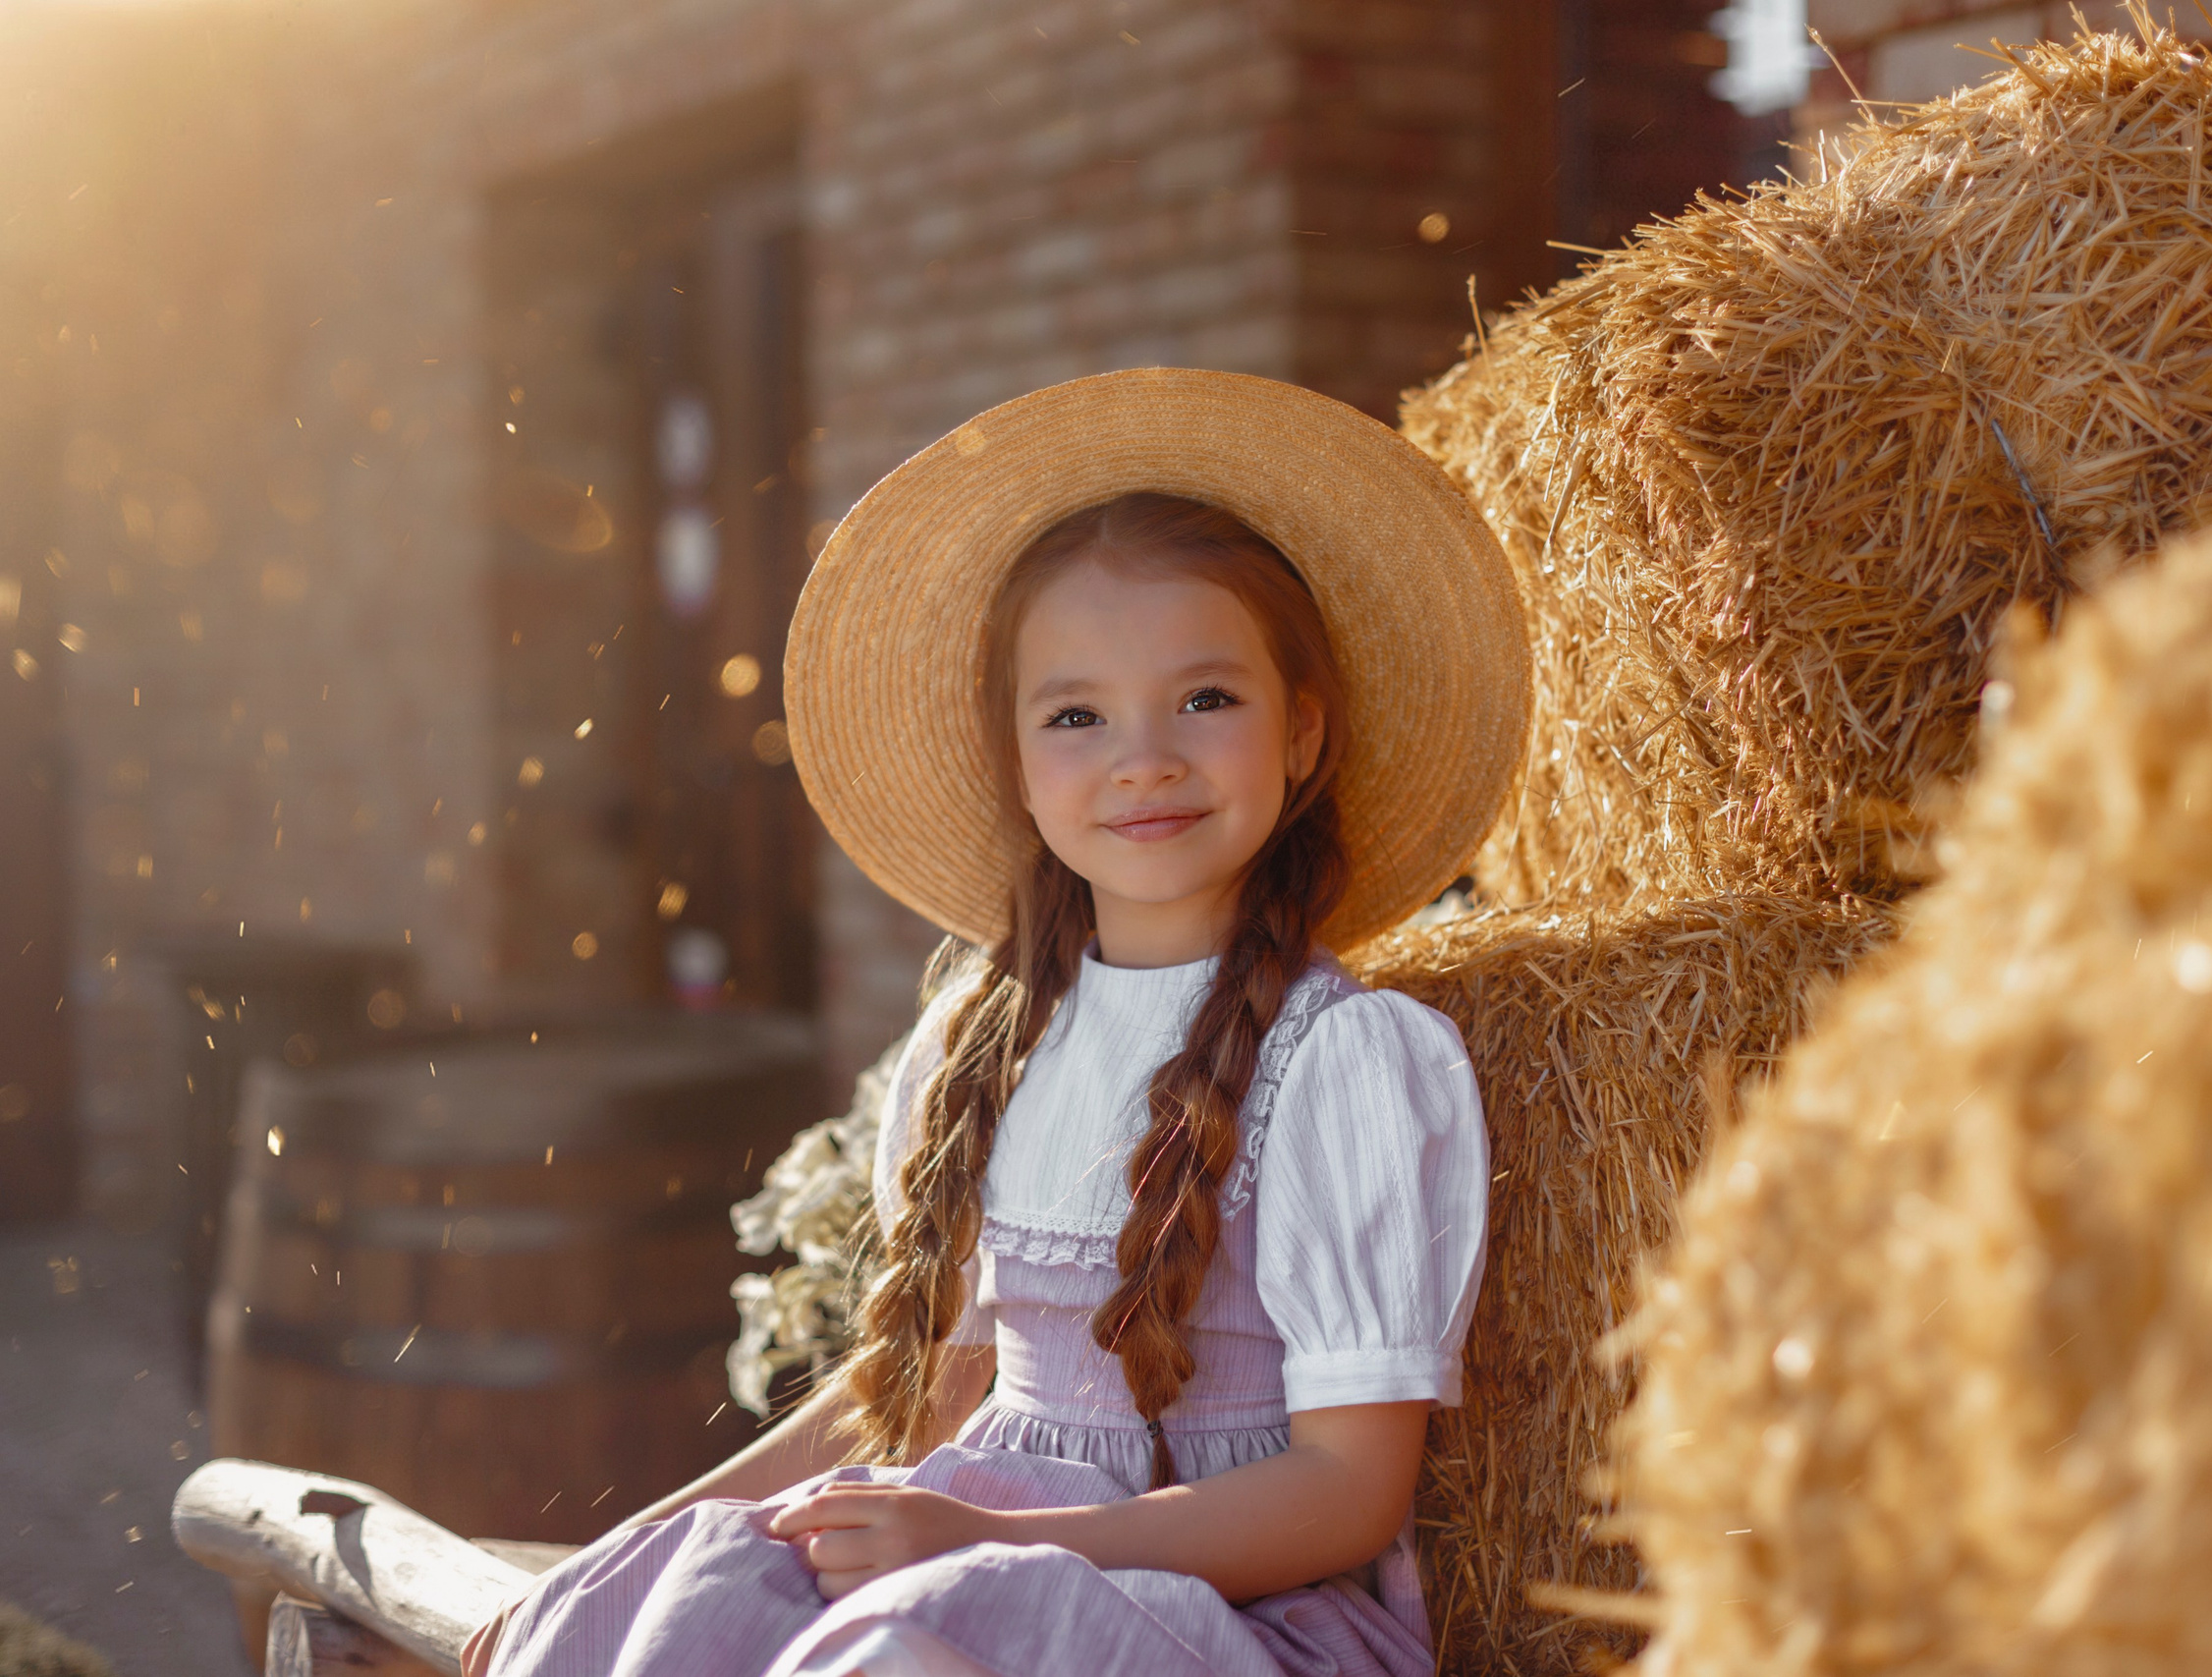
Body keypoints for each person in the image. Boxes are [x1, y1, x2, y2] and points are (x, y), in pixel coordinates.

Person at [467, 368, 1529, 1677]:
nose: (1144, 756)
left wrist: (990, 1539)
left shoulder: (1342, 1063)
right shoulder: (987, 1047)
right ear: (1019, 768)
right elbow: (905, 1413)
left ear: (1302, 734)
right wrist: (638, 1549)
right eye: (1077, 716)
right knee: (687, 1592)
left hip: (1221, 1612)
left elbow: (1347, 1493)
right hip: (960, 1553)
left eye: (1206, 699)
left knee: (905, 1651)